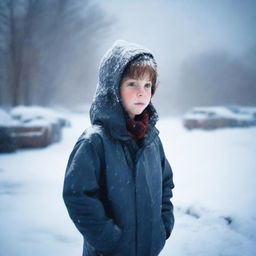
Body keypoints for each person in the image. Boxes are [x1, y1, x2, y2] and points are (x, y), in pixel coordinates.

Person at [63, 40, 175, 256]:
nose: (142, 92)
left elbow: (166, 185)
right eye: (132, 83)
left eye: (147, 85)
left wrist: (162, 228)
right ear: (113, 88)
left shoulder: (152, 140)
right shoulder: (94, 141)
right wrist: (109, 239)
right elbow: (77, 195)